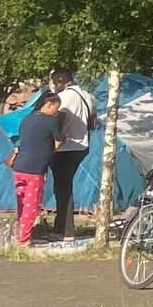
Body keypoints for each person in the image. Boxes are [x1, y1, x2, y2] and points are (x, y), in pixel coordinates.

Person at [10, 92, 60, 246]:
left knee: (22, 203)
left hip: (18, 167)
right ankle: (23, 239)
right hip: (35, 168)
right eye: (56, 108)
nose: (56, 111)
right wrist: (53, 150)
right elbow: (59, 140)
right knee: (31, 206)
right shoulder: (50, 121)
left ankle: (19, 233)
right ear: (49, 105)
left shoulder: (26, 119)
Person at [49, 68, 93, 241]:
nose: (54, 87)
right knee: (64, 187)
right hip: (81, 147)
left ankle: (65, 231)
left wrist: (55, 139)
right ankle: (61, 228)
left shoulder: (64, 98)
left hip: (64, 148)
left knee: (62, 189)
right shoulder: (88, 96)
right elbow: (92, 122)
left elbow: (57, 121)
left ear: (60, 80)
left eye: (54, 82)